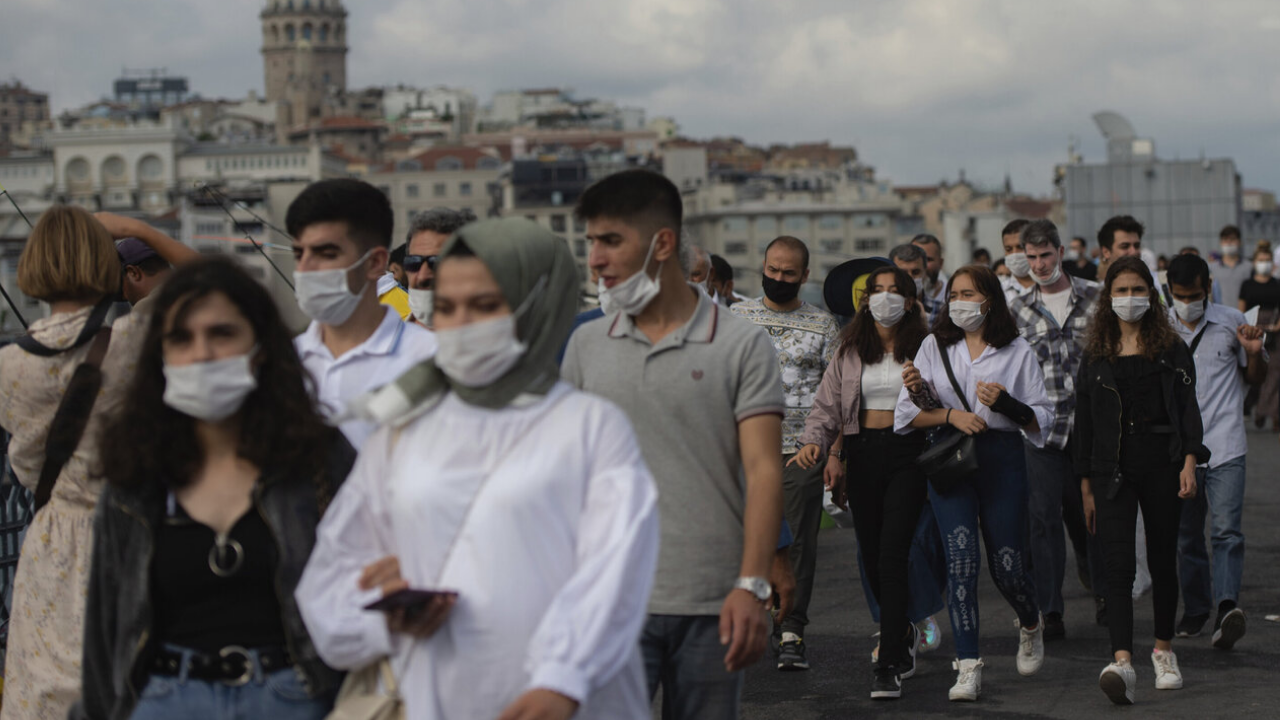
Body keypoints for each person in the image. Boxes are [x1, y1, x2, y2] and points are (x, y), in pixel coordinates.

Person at [296, 218, 660, 720]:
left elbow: (616, 569)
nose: (462, 322)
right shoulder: (402, 428)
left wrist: (563, 678)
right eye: (446, 307)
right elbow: (331, 577)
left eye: (485, 305)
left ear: (537, 303)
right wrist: (384, 617)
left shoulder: (590, 427)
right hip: (433, 696)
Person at [72, 257, 355, 720]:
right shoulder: (136, 472)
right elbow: (106, 624)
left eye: (222, 334)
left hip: (294, 697)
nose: (201, 353)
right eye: (181, 338)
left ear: (260, 346)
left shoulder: (316, 458)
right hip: (166, 699)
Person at [562, 169, 785, 719]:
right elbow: (563, 473)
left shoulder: (743, 344)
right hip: (610, 599)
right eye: (591, 242)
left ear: (662, 243)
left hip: (712, 599)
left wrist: (752, 584)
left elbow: (762, 471)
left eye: (611, 240)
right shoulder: (586, 344)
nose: (595, 258)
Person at [0, 208, 197, 720]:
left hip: (50, 545)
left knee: (45, 692)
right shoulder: (133, 341)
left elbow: (24, 465)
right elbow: (212, 283)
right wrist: (138, 231)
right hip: (134, 532)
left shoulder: (9, 364)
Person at [896, 264, 1052, 703]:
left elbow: (1042, 416)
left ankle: (1030, 620)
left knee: (1007, 566)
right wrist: (924, 396)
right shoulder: (934, 345)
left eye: (970, 294)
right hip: (951, 460)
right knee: (961, 562)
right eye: (955, 294)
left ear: (990, 301)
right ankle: (967, 665)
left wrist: (1006, 402)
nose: (960, 302)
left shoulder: (1017, 350)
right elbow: (909, 416)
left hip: (1001, 459)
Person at [1075, 256, 1208, 705]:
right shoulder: (1095, 354)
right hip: (1110, 468)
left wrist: (1190, 461)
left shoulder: (1171, 348)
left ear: (1152, 295)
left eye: (1137, 290)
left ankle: (1164, 651)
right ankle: (1122, 663)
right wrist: (1086, 485)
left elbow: (1188, 410)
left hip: (1162, 462)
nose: (1129, 299)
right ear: (1107, 296)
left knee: (1161, 556)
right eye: (1121, 290)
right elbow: (1085, 423)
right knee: (1116, 567)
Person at [793, 266, 929, 699]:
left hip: (909, 452)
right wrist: (817, 444)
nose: (884, 298)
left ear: (909, 301)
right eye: (877, 291)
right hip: (863, 451)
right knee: (871, 552)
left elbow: (940, 400)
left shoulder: (925, 347)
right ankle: (902, 627)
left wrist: (921, 387)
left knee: (892, 552)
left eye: (894, 292)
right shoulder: (851, 348)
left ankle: (888, 661)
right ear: (865, 299)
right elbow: (826, 405)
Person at [732, 236, 839, 671]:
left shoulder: (824, 326)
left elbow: (835, 396)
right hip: (743, 449)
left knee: (796, 543)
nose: (778, 278)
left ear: (805, 276)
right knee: (744, 539)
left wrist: (835, 453)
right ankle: (748, 618)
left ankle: (791, 629)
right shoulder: (736, 318)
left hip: (802, 450)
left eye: (788, 273)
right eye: (772, 270)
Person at [287, 179, 438, 451]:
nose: (305, 268)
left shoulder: (429, 359)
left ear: (375, 263)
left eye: (326, 253)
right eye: (299, 254)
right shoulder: (283, 363)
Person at [1008, 220, 1104, 641]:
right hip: (1041, 431)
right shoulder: (1018, 311)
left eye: (1045, 255)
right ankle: (1051, 610)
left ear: (1060, 251)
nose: (1039, 265)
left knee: (1093, 518)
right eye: (1031, 257)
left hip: (1092, 429)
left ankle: (1105, 593)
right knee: (1042, 521)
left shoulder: (1096, 297)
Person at [1166, 254, 1266, 648]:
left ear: (1207, 287)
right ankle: (1195, 609)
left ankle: (1226, 608)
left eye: (1192, 294)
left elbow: (1255, 379)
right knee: (1186, 535)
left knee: (1226, 532)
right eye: (1178, 295)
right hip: (1178, 452)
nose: (1186, 302)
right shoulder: (1159, 328)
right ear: (1168, 291)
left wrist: (1254, 351)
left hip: (1225, 444)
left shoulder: (1231, 321)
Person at [403, 207, 479, 327]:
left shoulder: (498, 341)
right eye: (414, 262)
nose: (422, 276)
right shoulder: (385, 341)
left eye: (436, 263)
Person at [1238, 240, 1280, 429]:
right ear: (1255, 262)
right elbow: (1241, 309)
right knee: (1254, 370)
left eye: (1268, 259)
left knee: (1274, 373)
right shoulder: (1247, 284)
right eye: (1261, 259)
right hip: (1253, 331)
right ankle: (1256, 407)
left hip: (1274, 331)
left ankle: (1268, 411)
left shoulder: (1277, 284)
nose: (1265, 263)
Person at [116, 236, 172, 306]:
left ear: (133, 272)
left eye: (121, 283)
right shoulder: (186, 294)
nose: (126, 298)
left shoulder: (147, 309)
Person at [1212, 226, 1252, 311]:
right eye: (1225, 240)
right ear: (1221, 242)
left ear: (1239, 242)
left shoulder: (1249, 266)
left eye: (1232, 239)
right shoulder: (1212, 267)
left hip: (1245, 314)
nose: (1229, 243)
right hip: (1220, 315)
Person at [889, 244, 931, 322]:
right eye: (903, 272)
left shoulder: (940, 309)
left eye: (915, 272)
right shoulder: (883, 310)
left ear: (925, 272)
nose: (909, 278)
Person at [1096, 215, 1145, 281]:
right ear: (1106, 252)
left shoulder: (1157, 285)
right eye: (1125, 246)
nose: (1133, 252)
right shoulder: (1090, 289)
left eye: (1136, 246)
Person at [912, 234, 947, 321]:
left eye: (928, 260)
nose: (922, 266)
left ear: (940, 263)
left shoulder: (951, 295)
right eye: (916, 259)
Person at [999, 219, 1035, 302]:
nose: (1014, 253)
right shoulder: (997, 293)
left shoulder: (1053, 288)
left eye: (1020, 247)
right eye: (1009, 249)